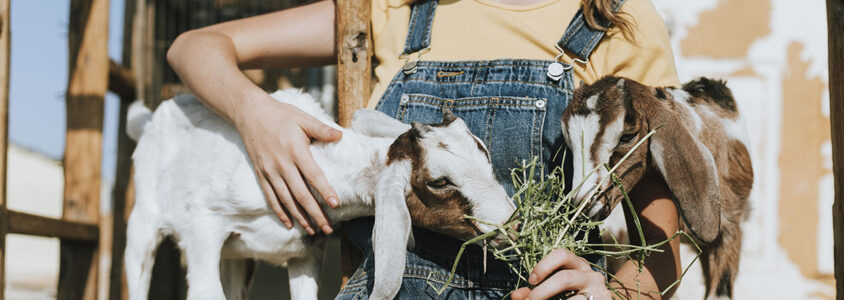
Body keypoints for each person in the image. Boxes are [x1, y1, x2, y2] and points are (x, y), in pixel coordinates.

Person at [166, 0, 682, 299]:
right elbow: (193, 47)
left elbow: (659, 250)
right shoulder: (395, 8)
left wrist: (609, 296)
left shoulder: (619, 23)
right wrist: (255, 114)